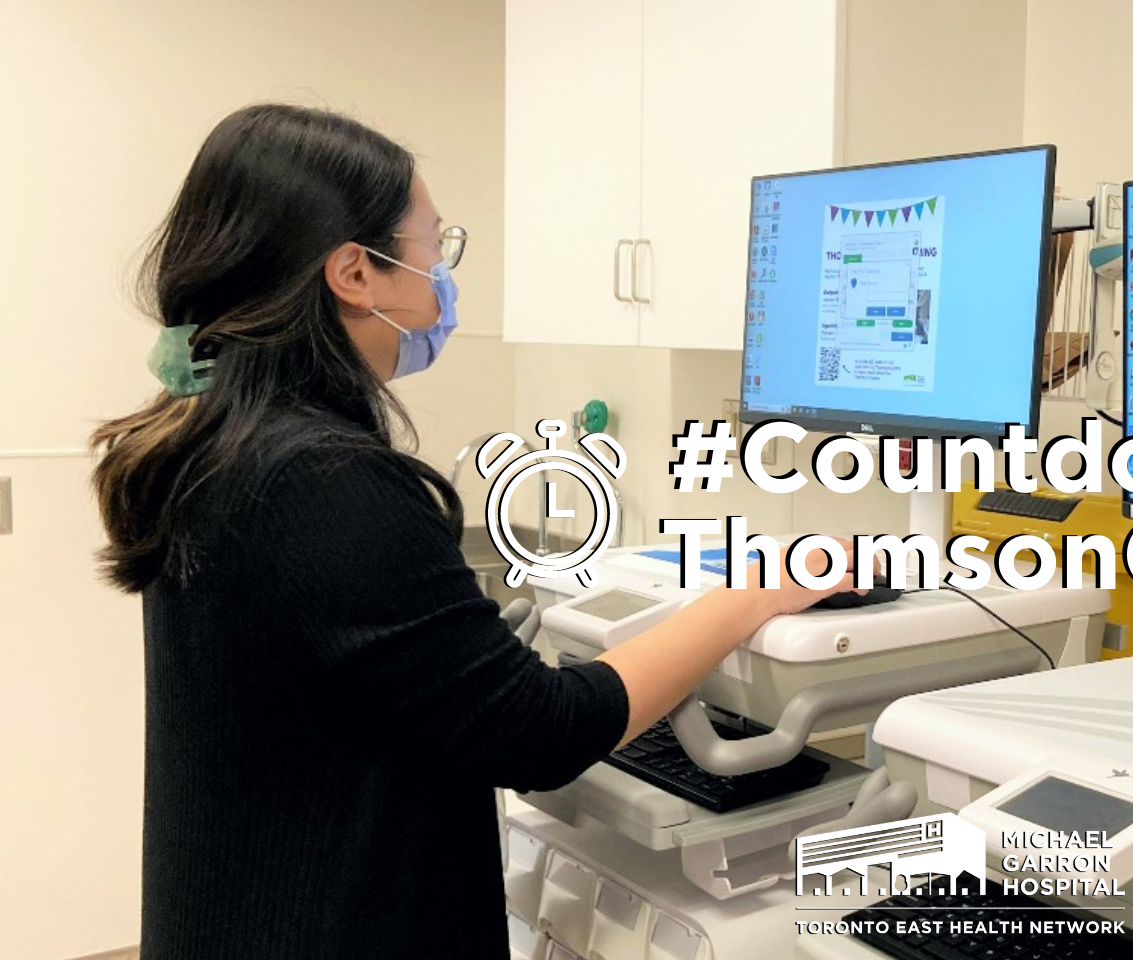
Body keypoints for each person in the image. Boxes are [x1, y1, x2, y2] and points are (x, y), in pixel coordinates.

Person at [89, 103, 860, 959]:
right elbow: (541, 731)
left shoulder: (216, 438)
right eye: (433, 246)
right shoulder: (323, 478)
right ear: (355, 271)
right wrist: (749, 597)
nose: (444, 278)